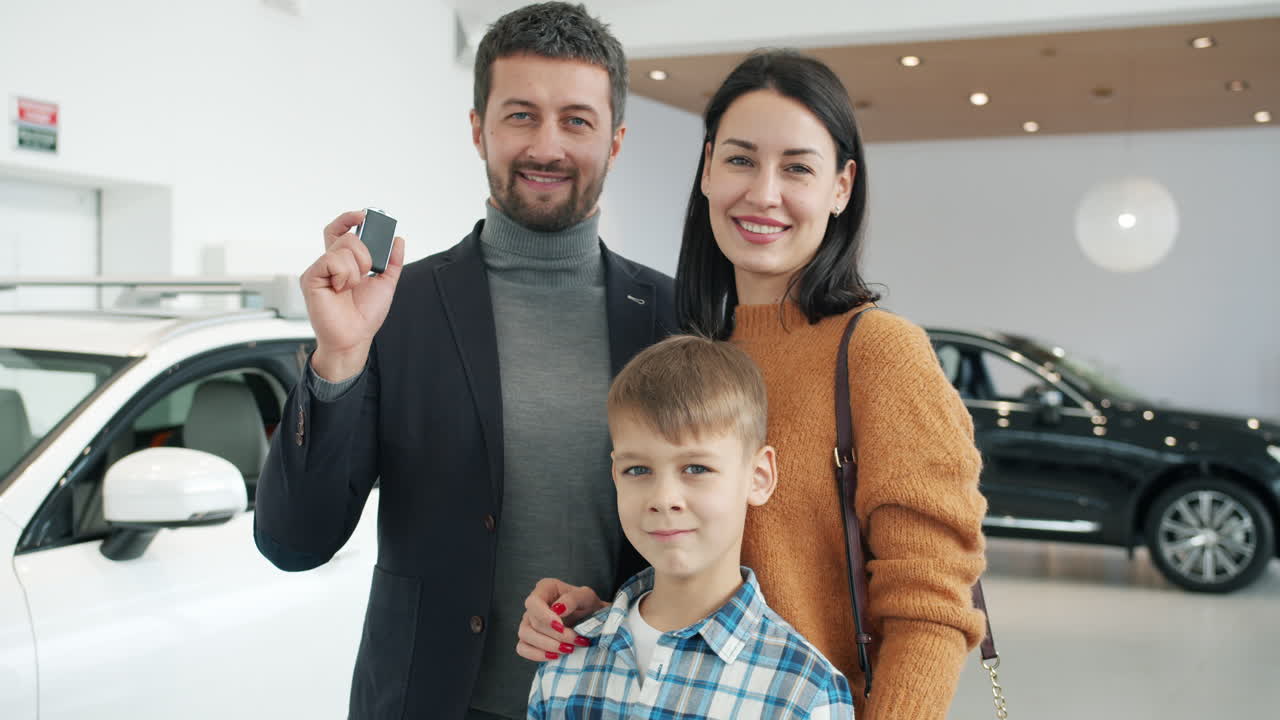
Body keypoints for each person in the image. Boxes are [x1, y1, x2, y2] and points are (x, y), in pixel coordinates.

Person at [518, 50, 988, 720]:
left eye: (797, 167)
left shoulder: (880, 354)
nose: (764, 193)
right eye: (740, 159)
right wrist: (619, 619)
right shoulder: (697, 349)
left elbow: (932, 607)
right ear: (708, 169)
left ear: (841, 186)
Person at [253, 4, 675, 719]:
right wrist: (338, 356)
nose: (547, 145)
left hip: (622, 702)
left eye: (576, 120)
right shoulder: (398, 308)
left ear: (616, 139)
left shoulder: (672, 318)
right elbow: (294, 543)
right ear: (478, 127)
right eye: (520, 115)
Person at [528, 335, 854, 719]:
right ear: (615, 475)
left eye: (696, 468)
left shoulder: (805, 691)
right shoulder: (565, 664)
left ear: (759, 476)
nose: (664, 498)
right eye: (638, 470)